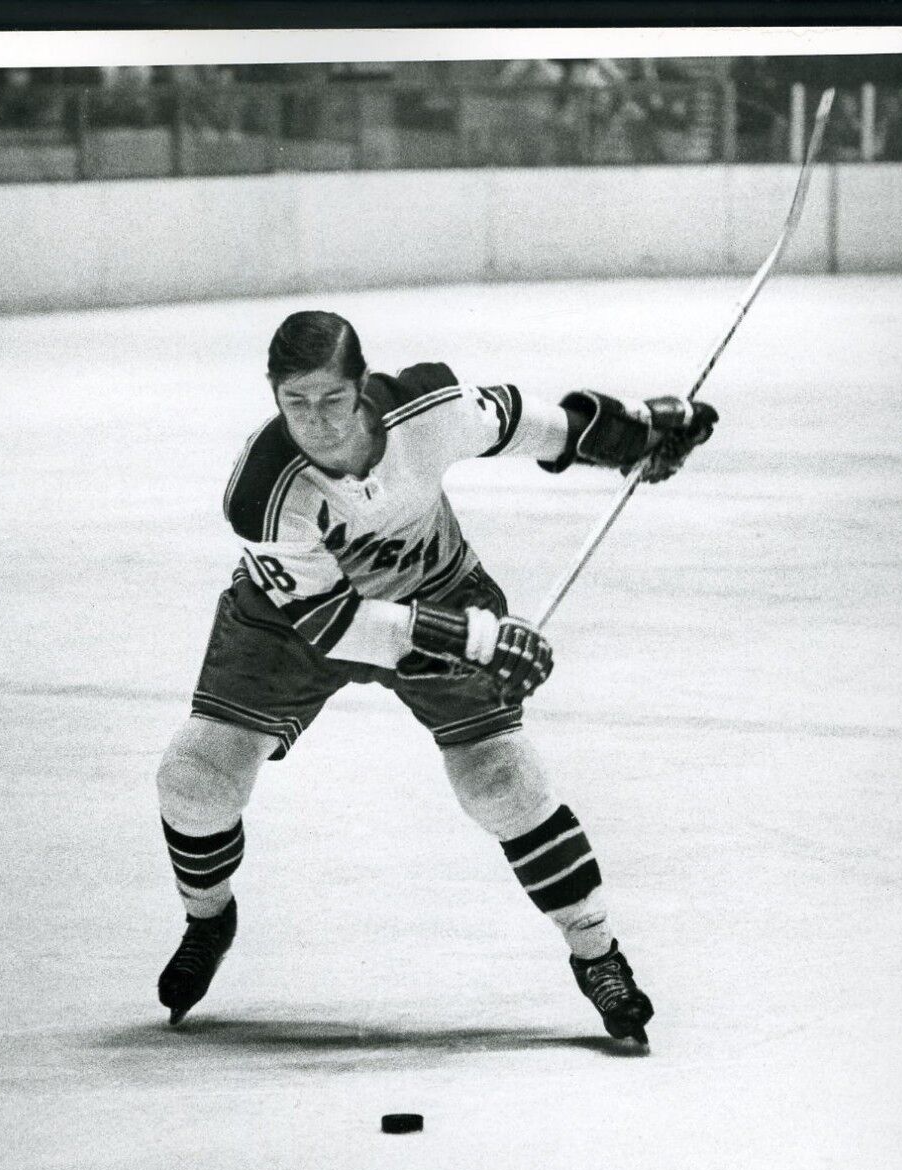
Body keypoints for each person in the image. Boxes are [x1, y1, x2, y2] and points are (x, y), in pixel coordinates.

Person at [156, 311, 717, 1045]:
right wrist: (478, 639)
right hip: (290, 624)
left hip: (435, 588)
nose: (317, 424)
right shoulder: (263, 490)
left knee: (501, 784)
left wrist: (635, 434)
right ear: (274, 397)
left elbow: (532, 424)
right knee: (194, 779)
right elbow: (336, 626)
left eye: (332, 400)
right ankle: (207, 919)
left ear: (361, 388)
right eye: (295, 403)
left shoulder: (429, 410)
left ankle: (597, 953)